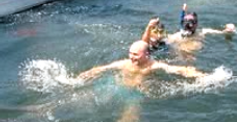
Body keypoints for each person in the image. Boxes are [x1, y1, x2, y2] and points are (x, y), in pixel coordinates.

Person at [77, 41, 207, 85]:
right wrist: (88, 74)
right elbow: (104, 68)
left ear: (146, 55)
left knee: (128, 119)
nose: (131, 57)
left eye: (135, 54)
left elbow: (178, 70)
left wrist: (203, 76)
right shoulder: (125, 63)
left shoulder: (154, 65)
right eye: (130, 53)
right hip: (118, 84)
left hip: (135, 93)